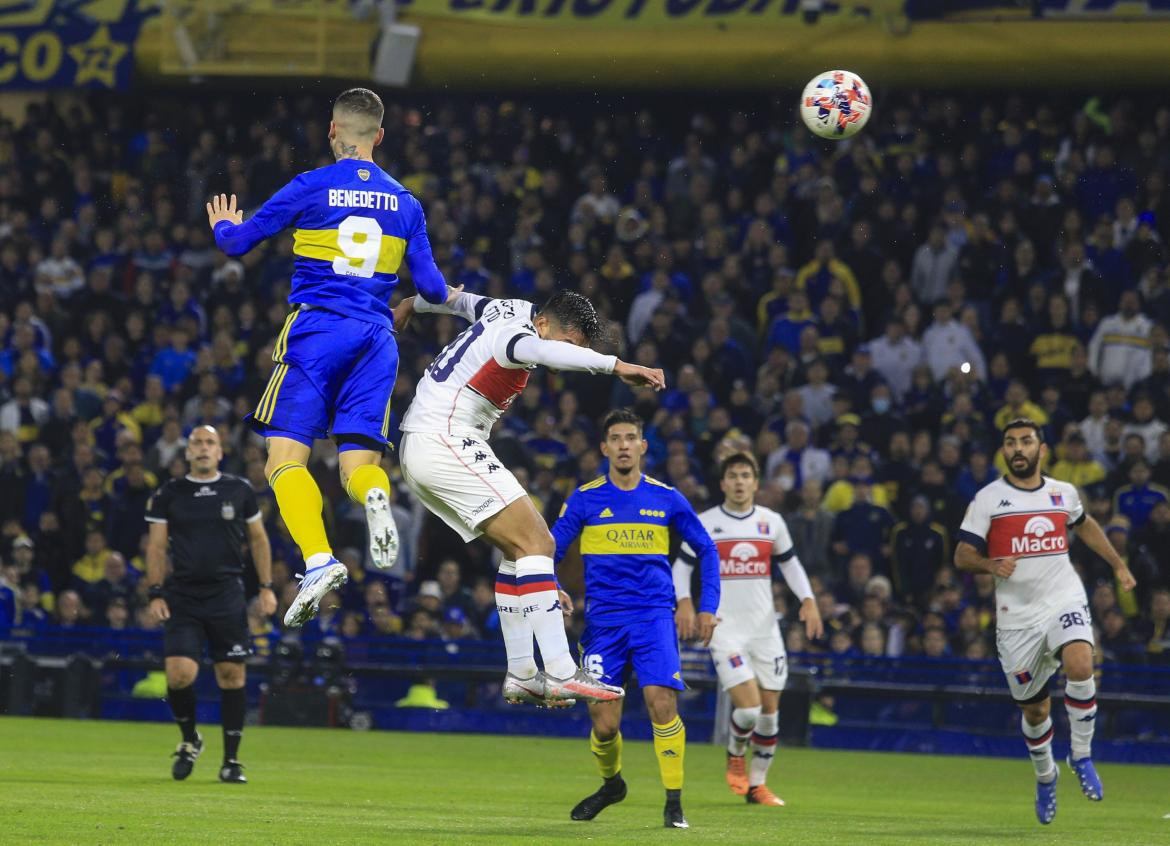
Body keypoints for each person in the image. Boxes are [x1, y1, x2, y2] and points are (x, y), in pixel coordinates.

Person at [205, 88, 449, 628]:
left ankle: (318, 561)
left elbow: (238, 245)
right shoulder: (407, 203)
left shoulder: (311, 186)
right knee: (357, 465)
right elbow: (431, 288)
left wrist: (224, 224)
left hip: (319, 329)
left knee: (283, 459)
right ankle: (377, 501)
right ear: (379, 137)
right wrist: (413, 300)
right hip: (378, 338)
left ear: (333, 131)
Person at [392, 286, 665, 705]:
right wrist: (616, 366)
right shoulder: (519, 338)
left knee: (521, 552)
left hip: (427, 442)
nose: (563, 355)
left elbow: (456, 299)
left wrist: (411, 303)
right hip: (444, 439)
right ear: (544, 325)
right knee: (540, 542)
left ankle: (521, 671)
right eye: (569, 342)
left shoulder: (505, 307)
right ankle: (559, 669)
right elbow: (552, 354)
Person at [954, 418, 1136, 825]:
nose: (1018, 449)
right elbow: (961, 555)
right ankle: (1046, 775)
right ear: (1004, 451)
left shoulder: (1062, 493)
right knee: (1036, 712)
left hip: (1062, 598)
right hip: (1016, 618)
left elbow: (1085, 525)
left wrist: (1118, 564)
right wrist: (988, 563)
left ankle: (1082, 756)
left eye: (1026, 441)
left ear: (1042, 449)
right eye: (1010, 443)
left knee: (1081, 664)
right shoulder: (988, 499)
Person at [552, 409, 720, 829]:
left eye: (631, 438)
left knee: (661, 702)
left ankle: (674, 803)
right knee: (603, 723)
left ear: (643, 447)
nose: (624, 445)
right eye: (616, 438)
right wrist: (550, 583)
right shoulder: (585, 498)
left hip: (653, 618)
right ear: (605, 448)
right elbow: (549, 548)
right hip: (604, 624)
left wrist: (707, 607)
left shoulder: (666, 498)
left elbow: (708, 550)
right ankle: (612, 785)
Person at [672, 452, 823, 807]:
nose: (739, 482)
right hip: (724, 628)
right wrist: (685, 602)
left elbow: (791, 564)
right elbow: (681, 566)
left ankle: (757, 786)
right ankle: (735, 752)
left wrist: (808, 599)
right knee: (750, 710)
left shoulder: (771, 522)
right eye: (733, 476)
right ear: (723, 483)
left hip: (765, 629)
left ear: (756, 483)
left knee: (770, 716)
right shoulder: (706, 522)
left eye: (745, 475)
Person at [145, 425, 276, 784]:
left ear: (220, 452)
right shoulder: (168, 494)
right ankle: (190, 740)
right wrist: (155, 591)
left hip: (226, 594)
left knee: (231, 675)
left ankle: (231, 762)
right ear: (187, 453)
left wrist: (266, 588)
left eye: (210, 443)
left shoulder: (239, 490)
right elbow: (156, 547)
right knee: (179, 674)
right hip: (183, 595)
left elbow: (259, 540)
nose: (203, 448)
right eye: (196, 443)